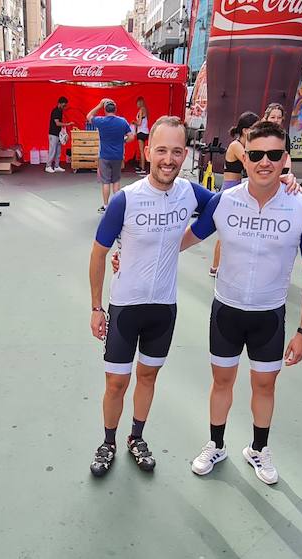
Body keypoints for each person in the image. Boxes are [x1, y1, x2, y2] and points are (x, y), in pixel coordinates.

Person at [180, 121, 302, 485]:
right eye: (256, 155)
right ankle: (216, 444)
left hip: (269, 316)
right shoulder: (224, 201)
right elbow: (182, 241)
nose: (265, 162)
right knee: (222, 381)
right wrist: (130, 252)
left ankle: (258, 449)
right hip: (226, 310)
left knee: (265, 386)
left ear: (285, 159)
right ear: (245, 159)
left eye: (274, 155)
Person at [87, 116, 214, 476]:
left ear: (185, 153)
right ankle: (108, 441)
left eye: (176, 151)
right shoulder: (125, 200)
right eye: (161, 150)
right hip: (125, 307)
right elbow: (98, 254)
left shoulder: (189, 193)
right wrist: (97, 308)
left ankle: (135, 437)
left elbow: (224, 207)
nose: (168, 159)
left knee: (148, 377)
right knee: (116, 382)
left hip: (163, 308)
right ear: (147, 150)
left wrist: (282, 184)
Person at [210, 111, 260, 277]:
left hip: (239, 189)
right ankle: (215, 267)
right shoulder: (236, 145)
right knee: (224, 233)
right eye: (255, 128)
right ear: (246, 130)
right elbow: (248, 163)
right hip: (230, 190)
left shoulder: (245, 144)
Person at [86, 98, 134, 212]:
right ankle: (116, 206)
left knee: (105, 182)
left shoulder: (101, 121)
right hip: (118, 156)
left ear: (105, 110)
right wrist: (123, 141)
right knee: (116, 181)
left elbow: (89, 116)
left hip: (104, 156)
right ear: (115, 109)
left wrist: (99, 105)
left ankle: (106, 206)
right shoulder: (122, 121)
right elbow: (131, 137)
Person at [47, 96, 71, 173]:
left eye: (65, 106)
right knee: (52, 151)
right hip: (53, 134)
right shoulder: (55, 111)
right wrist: (67, 124)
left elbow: (59, 124)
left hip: (58, 134)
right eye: (64, 105)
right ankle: (48, 166)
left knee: (58, 151)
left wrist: (64, 132)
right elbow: (57, 123)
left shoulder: (60, 111)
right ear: (59, 103)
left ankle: (56, 166)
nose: (64, 107)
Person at [133, 97, 150, 174]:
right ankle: (141, 166)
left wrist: (134, 122)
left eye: (137, 103)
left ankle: (142, 168)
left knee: (141, 151)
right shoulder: (145, 110)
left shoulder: (141, 110)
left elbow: (139, 123)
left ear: (139, 102)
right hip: (145, 131)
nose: (136, 104)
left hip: (141, 132)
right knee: (142, 150)